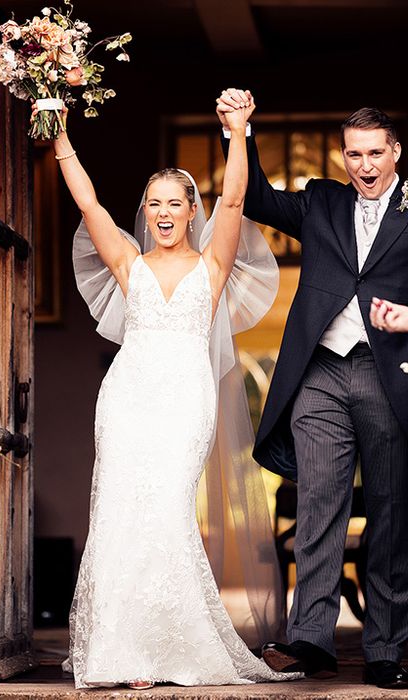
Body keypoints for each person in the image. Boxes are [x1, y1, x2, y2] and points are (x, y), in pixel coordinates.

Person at [53, 97, 296, 688]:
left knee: (165, 507)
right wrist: (59, 135)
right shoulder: (127, 262)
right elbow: (87, 202)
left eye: (174, 203)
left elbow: (236, 198)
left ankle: (165, 645)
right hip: (127, 398)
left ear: (192, 211)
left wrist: (237, 133)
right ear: (145, 211)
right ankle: (123, 652)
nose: (163, 213)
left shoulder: (213, 264)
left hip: (186, 398)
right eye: (153, 204)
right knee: (118, 509)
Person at [216, 91, 408, 689]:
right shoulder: (323, 201)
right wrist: (239, 130)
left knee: (391, 514)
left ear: (396, 152)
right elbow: (259, 200)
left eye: (376, 153)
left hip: (390, 378)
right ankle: (311, 642)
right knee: (319, 507)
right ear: (342, 156)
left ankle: (385, 649)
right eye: (355, 154)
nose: (365, 165)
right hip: (320, 374)